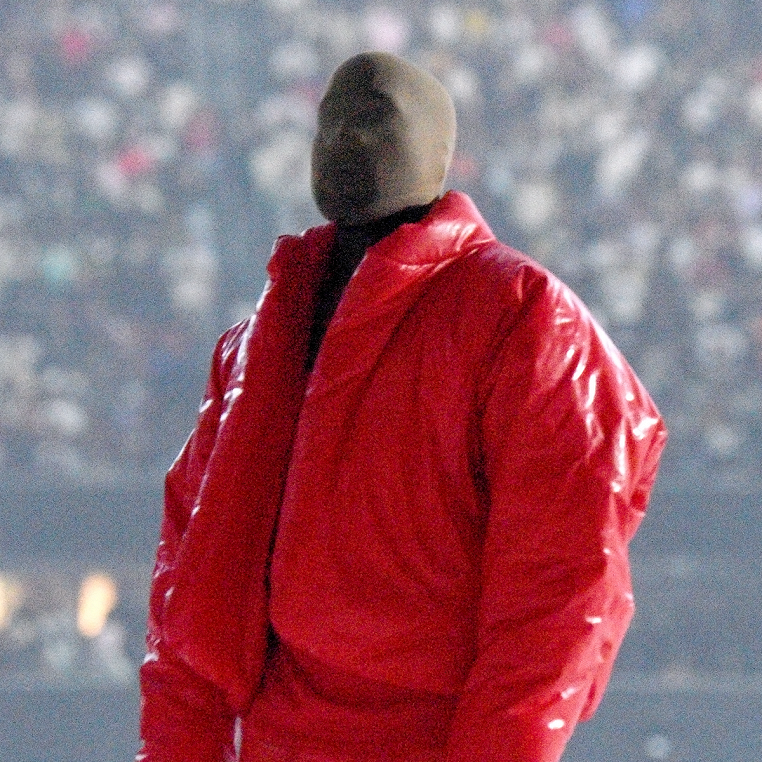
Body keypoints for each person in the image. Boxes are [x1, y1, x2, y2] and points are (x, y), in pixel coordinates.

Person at [136, 52, 667, 762]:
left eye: (374, 119)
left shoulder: (527, 319)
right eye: (330, 120)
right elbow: (191, 574)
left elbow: (561, 593)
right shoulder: (257, 341)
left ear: (439, 152)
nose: (345, 137)